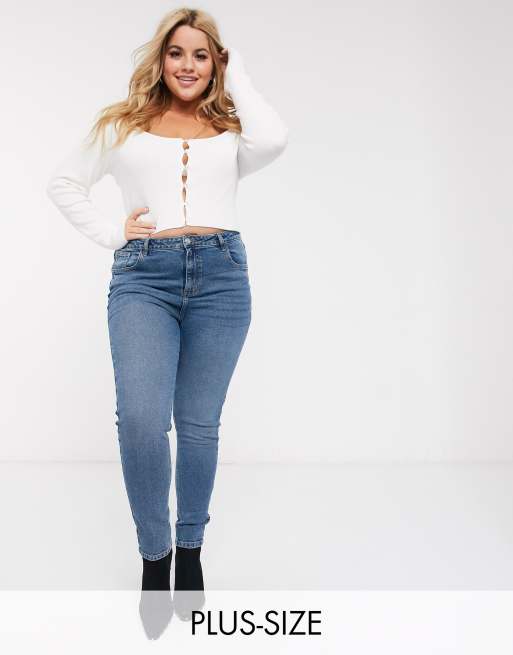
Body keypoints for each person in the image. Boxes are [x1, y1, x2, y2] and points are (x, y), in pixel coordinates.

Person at [46, 7, 288, 597]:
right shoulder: (122, 125)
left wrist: (237, 72)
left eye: (202, 55)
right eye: (177, 52)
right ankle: (155, 554)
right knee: (142, 420)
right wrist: (113, 233)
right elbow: (64, 183)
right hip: (143, 278)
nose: (188, 65)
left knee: (199, 425)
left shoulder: (232, 131)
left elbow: (275, 139)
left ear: (215, 64)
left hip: (222, 278)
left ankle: (191, 549)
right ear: (160, 59)